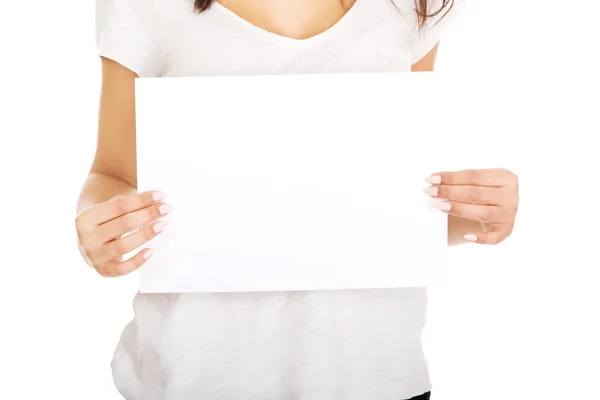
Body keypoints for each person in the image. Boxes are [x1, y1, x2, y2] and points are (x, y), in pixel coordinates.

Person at [76, 0, 520, 398]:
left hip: (371, 371)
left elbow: (389, 203)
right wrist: (98, 228)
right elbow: (113, 173)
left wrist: (477, 215)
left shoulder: (411, 5)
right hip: (198, 370)